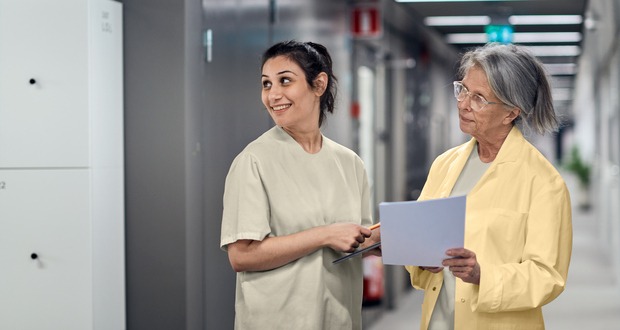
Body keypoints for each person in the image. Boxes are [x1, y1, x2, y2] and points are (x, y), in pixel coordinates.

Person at [405, 42, 573, 330]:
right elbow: (420, 238)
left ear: (511, 113)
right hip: (440, 320)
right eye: (463, 89)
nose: (464, 103)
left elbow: (547, 276)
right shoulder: (445, 165)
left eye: (479, 98)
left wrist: (482, 274)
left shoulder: (544, 183)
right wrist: (421, 258)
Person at [220, 40, 380, 330]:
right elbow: (241, 255)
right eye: (267, 84)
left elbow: (356, 239)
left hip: (339, 318)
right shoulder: (254, 161)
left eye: (285, 81)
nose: (273, 95)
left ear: (319, 84)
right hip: (278, 321)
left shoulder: (349, 162)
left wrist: (384, 239)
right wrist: (324, 235)